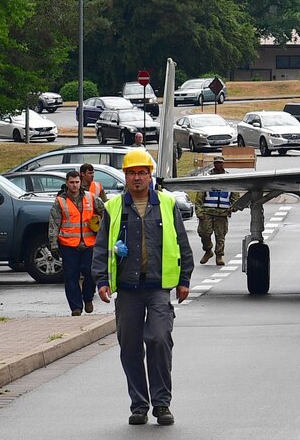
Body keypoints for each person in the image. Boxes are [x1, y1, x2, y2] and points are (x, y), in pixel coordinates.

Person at [91, 149, 194, 426]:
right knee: (130, 347)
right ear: (125, 176)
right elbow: (101, 246)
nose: (137, 178)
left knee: (159, 339)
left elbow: (181, 242)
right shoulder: (113, 207)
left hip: (158, 286)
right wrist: (101, 280)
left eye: (142, 173)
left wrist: (184, 279)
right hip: (127, 288)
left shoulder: (166, 203)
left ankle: (161, 404)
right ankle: (139, 405)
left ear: (150, 175)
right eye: (132, 173)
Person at [49, 170, 104, 316]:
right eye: (72, 182)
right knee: (71, 277)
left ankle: (88, 298)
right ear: (67, 183)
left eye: (77, 182)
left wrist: (101, 226)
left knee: (91, 273)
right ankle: (76, 307)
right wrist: (53, 243)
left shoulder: (91, 198)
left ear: (80, 182)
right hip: (68, 244)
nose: (74, 185)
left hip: (89, 244)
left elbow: (105, 212)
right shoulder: (60, 201)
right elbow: (54, 223)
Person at [191, 155, 237, 265]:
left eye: (220, 163)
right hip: (207, 211)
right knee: (204, 233)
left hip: (222, 212)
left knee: (220, 235)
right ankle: (208, 250)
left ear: (223, 164)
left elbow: (235, 194)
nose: (218, 165)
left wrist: (235, 206)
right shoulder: (207, 178)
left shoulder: (229, 178)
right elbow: (199, 197)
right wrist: (199, 212)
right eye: (216, 163)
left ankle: (219, 255)